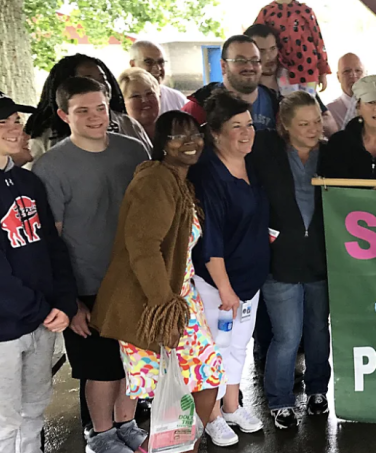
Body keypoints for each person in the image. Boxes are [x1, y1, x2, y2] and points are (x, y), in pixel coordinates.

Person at [91, 111, 221, 453]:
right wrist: (164, 307)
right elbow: (143, 246)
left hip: (178, 300)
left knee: (199, 379)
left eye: (195, 134)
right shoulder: (156, 180)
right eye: (178, 136)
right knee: (179, 387)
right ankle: (175, 447)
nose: (190, 142)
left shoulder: (179, 181)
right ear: (162, 144)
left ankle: (181, 445)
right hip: (154, 303)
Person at [32, 77, 150, 453]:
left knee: (134, 360)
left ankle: (126, 423)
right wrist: (71, 301)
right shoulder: (50, 167)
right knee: (100, 368)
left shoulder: (134, 151)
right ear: (64, 115)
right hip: (87, 283)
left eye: (101, 108)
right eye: (83, 111)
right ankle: (100, 434)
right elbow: (51, 241)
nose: (95, 117)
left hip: (135, 279)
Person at [0, 88, 76, 453]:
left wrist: (64, 302)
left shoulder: (28, 182)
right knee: (1, 421)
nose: (14, 128)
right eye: (0, 122)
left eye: (16, 120)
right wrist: (40, 309)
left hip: (42, 320)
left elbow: (53, 248)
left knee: (34, 411)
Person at [188, 89, 270, 446]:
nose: (246, 132)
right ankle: (211, 415)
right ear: (215, 133)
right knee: (216, 347)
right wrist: (224, 288)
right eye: (236, 126)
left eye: (249, 124)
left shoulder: (252, 162)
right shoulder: (208, 175)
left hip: (250, 279)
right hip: (219, 283)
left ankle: (233, 404)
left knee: (239, 345)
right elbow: (211, 239)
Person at [249, 92, 330, 429]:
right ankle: (279, 400)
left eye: (317, 121)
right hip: (279, 259)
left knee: (317, 329)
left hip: (321, 258)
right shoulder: (266, 152)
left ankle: (317, 390)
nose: (313, 129)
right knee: (287, 334)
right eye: (304, 124)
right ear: (284, 125)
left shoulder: (330, 154)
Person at [25, 54, 151, 163]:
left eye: (103, 78)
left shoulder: (128, 124)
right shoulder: (45, 137)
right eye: (88, 80)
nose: (100, 85)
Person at [242, 25, 339, 135]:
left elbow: (330, 124)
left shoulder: (295, 82)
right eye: (262, 51)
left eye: (273, 49)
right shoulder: (245, 90)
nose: (269, 57)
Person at [254, 0, 331, 94]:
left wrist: (323, 70)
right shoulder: (267, 12)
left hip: (308, 68)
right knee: (288, 103)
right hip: (283, 67)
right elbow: (255, 38)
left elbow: (318, 41)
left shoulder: (305, 11)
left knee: (307, 104)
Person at [128, 40, 188, 113]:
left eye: (161, 62)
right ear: (133, 65)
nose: (157, 68)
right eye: (149, 62)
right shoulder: (121, 101)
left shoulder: (177, 99)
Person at [326, 52, 366, 133]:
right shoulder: (329, 112)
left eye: (358, 71)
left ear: (365, 74)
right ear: (338, 77)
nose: (353, 75)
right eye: (347, 71)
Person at [118, 67, 161, 139]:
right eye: (136, 96)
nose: (145, 100)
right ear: (123, 102)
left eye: (149, 93)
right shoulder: (120, 138)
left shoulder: (172, 131)